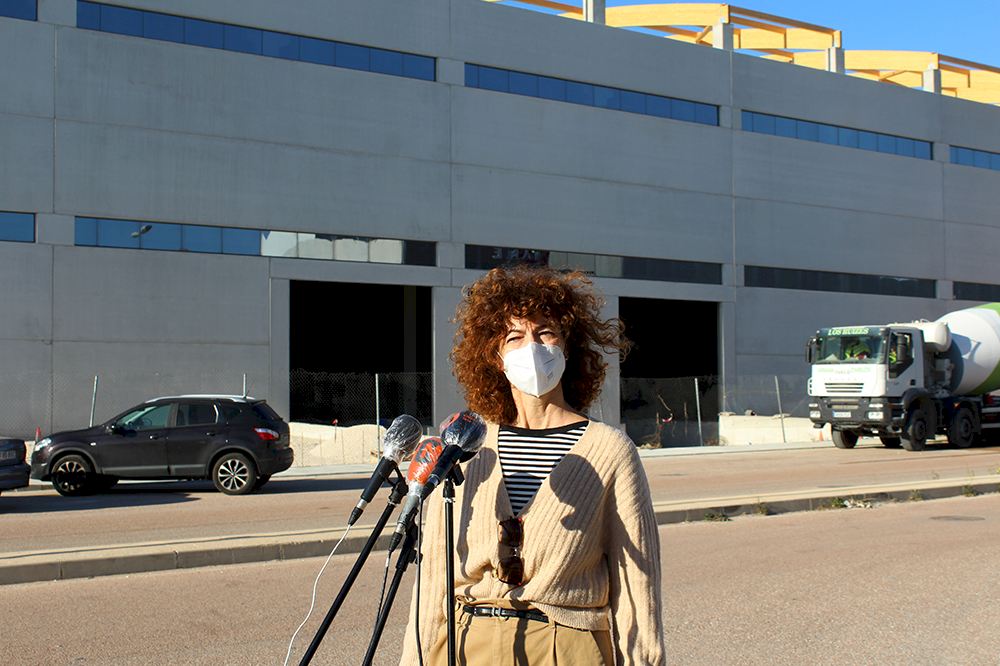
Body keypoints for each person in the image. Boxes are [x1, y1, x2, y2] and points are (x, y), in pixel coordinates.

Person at [399, 265, 665, 665]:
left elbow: (636, 586)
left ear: (567, 347)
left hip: (566, 645)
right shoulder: (465, 446)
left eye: (546, 333)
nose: (533, 347)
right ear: (495, 356)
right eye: (515, 337)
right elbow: (434, 577)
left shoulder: (610, 450)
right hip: (467, 640)